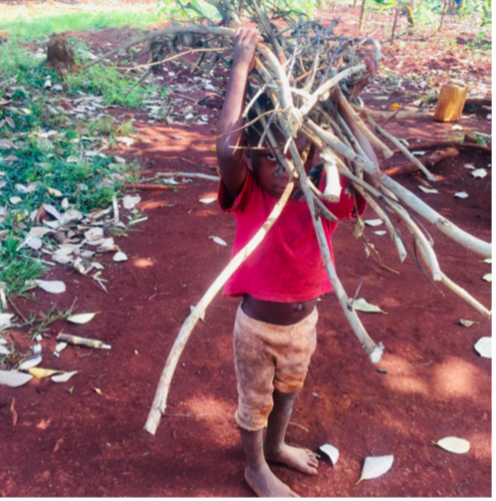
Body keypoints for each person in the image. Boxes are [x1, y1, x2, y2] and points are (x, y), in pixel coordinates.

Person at [216, 28, 380, 499]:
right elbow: (227, 149)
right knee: (255, 402)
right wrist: (241, 67)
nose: (282, 167)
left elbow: (368, 172)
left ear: (312, 154)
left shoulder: (324, 198)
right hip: (256, 329)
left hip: (304, 326)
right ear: (254, 159)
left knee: (289, 390)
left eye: (293, 156)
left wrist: (344, 108)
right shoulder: (248, 194)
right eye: (268, 158)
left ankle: (276, 446)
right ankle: (255, 468)